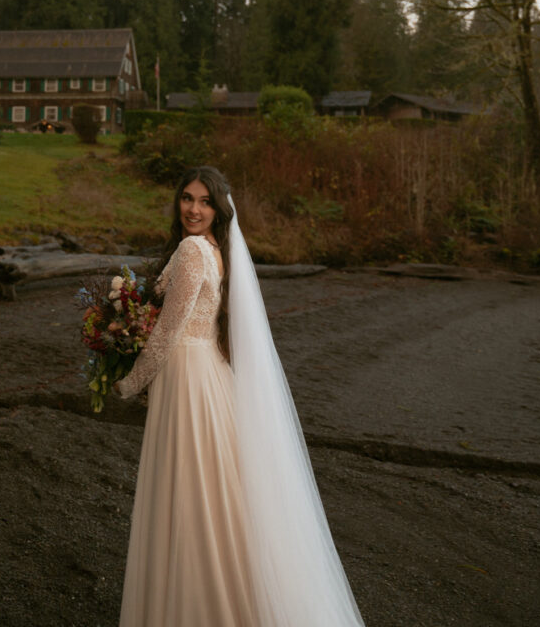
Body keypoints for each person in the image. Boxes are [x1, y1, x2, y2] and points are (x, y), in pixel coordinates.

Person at [115, 166, 364, 627]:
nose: (193, 209)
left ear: (219, 208)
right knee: (210, 488)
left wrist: (129, 382)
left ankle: (201, 605)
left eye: (205, 201)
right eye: (187, 198)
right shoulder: (214, 249)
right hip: (204, 370)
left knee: (190, 492)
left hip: (189, 376)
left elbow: (169, 330)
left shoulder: (193, 250)